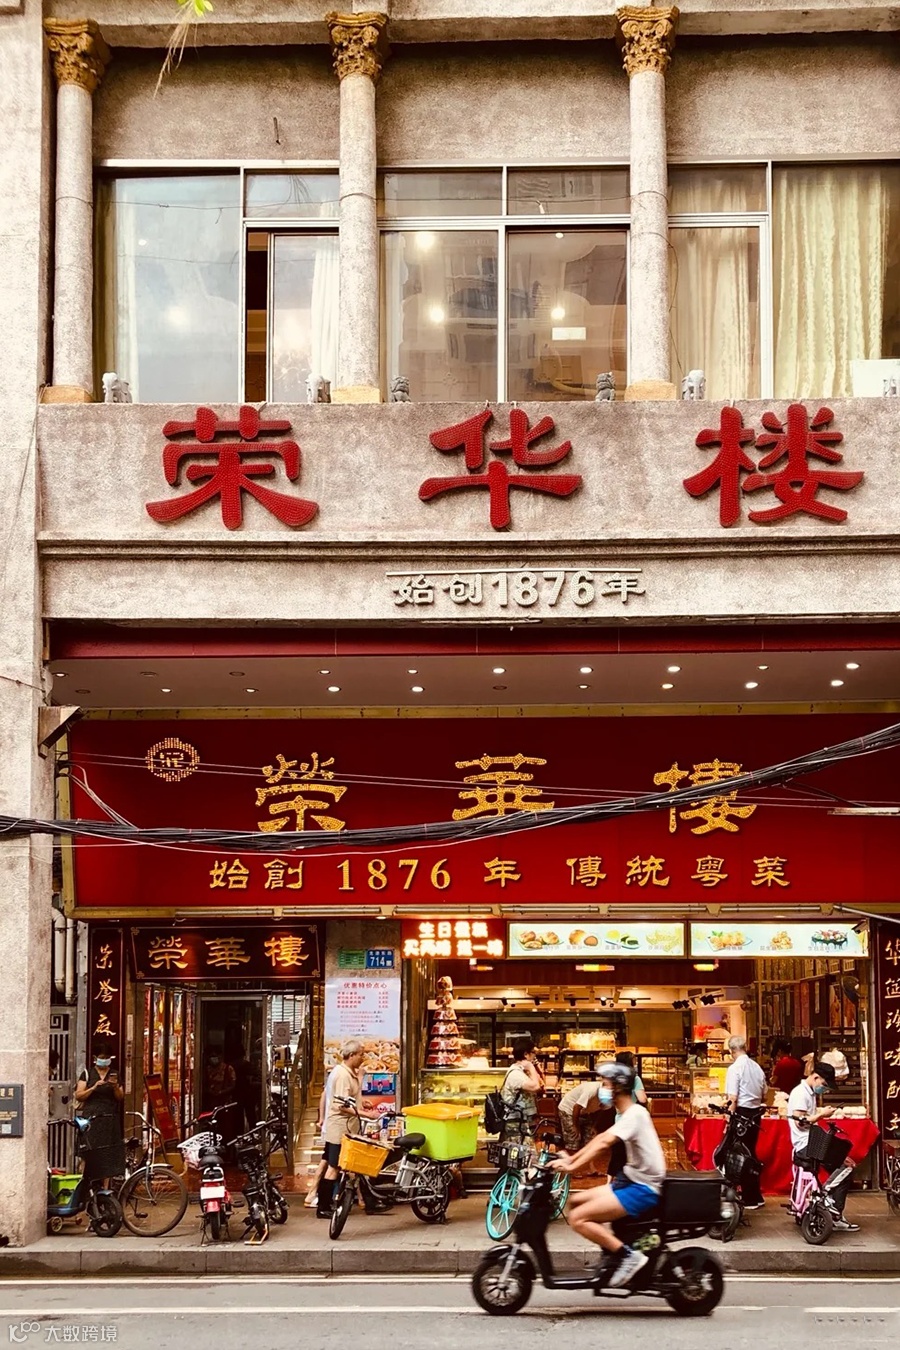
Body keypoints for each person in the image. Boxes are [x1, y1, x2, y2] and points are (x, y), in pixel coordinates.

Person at [554, 1062, 666, 1289]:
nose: (602, 1089)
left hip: (642, 1188)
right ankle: (613, 1251)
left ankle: (627, 1256)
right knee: (575, 1201)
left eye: (605, 1084)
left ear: (617, 1088)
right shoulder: (626, 1114)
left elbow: (604, 1143)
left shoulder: (635, 1114)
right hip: (630, 1180)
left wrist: (572, 1168)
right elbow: (599, 1139)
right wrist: (571, 1160)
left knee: (578, 1218)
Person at [787, 1059, 858, 1232]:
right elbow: (800, 1122)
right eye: (824, 1085)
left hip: (812, 1142)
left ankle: (828, 1203)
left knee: (844, 1155)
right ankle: (831, 1206)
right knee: (847, 1167)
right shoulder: (801, 1093)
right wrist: (821, 1115)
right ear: (816, 1077)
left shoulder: (809, 1093)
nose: (824, 1089)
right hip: (806, 1146)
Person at [318, 1040, 381, 1219]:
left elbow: (348, 1099)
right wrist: (366, 1114)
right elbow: (340, 1105)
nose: (363, 1057)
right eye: (361, 1054)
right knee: (334, 1167)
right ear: (351, 1055)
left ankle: (368, 1202)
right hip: (339, 1129)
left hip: (346, 1128)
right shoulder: (342, 1075)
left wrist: (361, 1104)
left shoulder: (347, 1073)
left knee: (348, 1165)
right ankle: (323, 1206)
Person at [724, 1034, 766, 1210]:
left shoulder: (735, 1069)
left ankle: (749, 1197)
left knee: (740, 1156)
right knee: (750, 1153)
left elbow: (732, 1098)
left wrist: (728, 1118)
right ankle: (755, 1194)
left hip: (741, 1114)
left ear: (731, 1051)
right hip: (756, 1114)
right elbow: (764, 1093)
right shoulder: (757, 1067)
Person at [74, 1050, 126, 1185]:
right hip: (91, 1119)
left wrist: (115, 1087)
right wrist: (94, 1087)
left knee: (107, 1154)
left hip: (109, 1118)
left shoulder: (114, 1074)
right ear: (95, 1058)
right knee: (87, 1152)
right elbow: (79, 1095)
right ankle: (85, 1185)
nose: (104, 1061)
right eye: (102, 1058)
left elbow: (120, 1097)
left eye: (107, 1058)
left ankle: (105, 1187)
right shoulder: (87, 1073)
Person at [500, 1036, 543, 1142]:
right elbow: (536, 1087)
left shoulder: (523, 1071)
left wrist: (536, 1069)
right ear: (526, 1054)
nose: (535, 1056)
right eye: (533, 1052)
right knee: (519, 1150)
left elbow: (541, 1085)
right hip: (515, 1123)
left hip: (523, 1120)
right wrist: (531, 1067)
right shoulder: (516, 1073)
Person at [558, 1079, 608, 1154]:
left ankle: (585, 1159)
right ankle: (571, 1158)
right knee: (574, 1138)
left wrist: (594, 1126)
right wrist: (575, 1126)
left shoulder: (609, 1096)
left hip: (584, 1111)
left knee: (590, 1138)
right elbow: (576, 1107)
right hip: (568, 1109)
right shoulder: (591, 1090)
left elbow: (601, 1110)